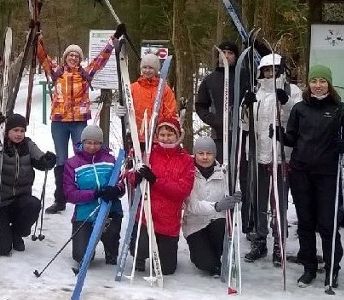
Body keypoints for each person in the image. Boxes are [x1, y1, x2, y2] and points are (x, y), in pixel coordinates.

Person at [274, 64, 344, 288]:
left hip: (327, 174)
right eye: (313, 81)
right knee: (306, 223)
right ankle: (309, 267)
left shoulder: (340, 110)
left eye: (322, 81)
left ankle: (332, 269)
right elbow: (292, 138)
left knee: (327, 224)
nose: (318, 85)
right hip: (301, 172)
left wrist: (343, 145)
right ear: (308, 84)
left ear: (328, 83)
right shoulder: (300, 109)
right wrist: (279, 135)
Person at [37, 23, 125, 213]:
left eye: (76, 55)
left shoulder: (86, 74)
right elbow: (42, 57)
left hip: (79, 122)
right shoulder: (56, 72)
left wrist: (113, 39)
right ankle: (60, 199)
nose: (73, 58)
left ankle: (85, 194)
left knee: (83, 156)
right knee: (61, 160)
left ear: (80, 58)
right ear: (65, 57)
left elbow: (101, 59)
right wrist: (37, 37)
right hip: (59, 121)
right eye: (70, 55)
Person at [243, 53, 302, 264]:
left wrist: (285, 102)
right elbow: (245, 126)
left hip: (281, 156)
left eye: (274, 70)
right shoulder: (258, 93)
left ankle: (280, 243)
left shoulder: (292, 91)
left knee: (279, 203)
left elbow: (298, 118)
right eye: (267, 70)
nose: (270, 74)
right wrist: (246, 107)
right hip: (259, 155)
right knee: (258, 200)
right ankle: (259, 240)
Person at [128, 117, 194, 275]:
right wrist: (135, 177)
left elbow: (183, 190)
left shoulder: (186, 160)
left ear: (178, 136)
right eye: (162, 134)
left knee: (167, 270)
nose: (166, 138)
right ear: (157, 135)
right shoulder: (149, 154)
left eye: (170, 134)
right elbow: (131, 175)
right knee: (140, 248)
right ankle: (140, 253)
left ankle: (158, 248)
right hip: (146, 215)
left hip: (168, 221)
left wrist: (156, 181)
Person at [0, 113, 56, 257]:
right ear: (7, 131)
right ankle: (4, 234)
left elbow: (40, 160)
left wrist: (48, 160)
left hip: (20, 200)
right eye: (15, 130)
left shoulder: (28, 145)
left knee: (34, 204)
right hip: (0, 202)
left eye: (22, 131)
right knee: (3, 250)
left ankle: (17, 233)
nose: (19, 134)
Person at [64, 125, 124, 272]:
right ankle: (87, 248)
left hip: (110, 210)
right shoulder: (72, 164)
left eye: (96, 143)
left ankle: (111, 248)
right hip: (85, 212)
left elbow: (121, 184)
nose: (92, 146)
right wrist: (95, 193)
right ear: (82, 142)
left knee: (111, 232)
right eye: (88, 142)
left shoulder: (110, 160)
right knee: (81, 256)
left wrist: (116, 190)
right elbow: (70, 194)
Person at [182, 136, 240, 276]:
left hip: (216, 222)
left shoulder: (224, 173)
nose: (205, 157)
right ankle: (203, 257)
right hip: (195, 224)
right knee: (205, 264)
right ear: (195, 154)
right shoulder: (188, 173)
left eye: (209, 153)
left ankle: (214, 257)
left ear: (215, 155)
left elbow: (234, 195)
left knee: (220, 224)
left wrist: (237, 197)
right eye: (201, 153)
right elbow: (192, 205)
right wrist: (217, 206)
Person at [118, 53, 177, 147]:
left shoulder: (164, 89)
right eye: (144, 67)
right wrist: (121, 111)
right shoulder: (133, 88)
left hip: (157, 138)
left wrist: (164, 132)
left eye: (151, 68)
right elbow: (127, 108)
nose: (147, 70)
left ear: (156, 70)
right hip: (136, 137)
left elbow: (170, 113)